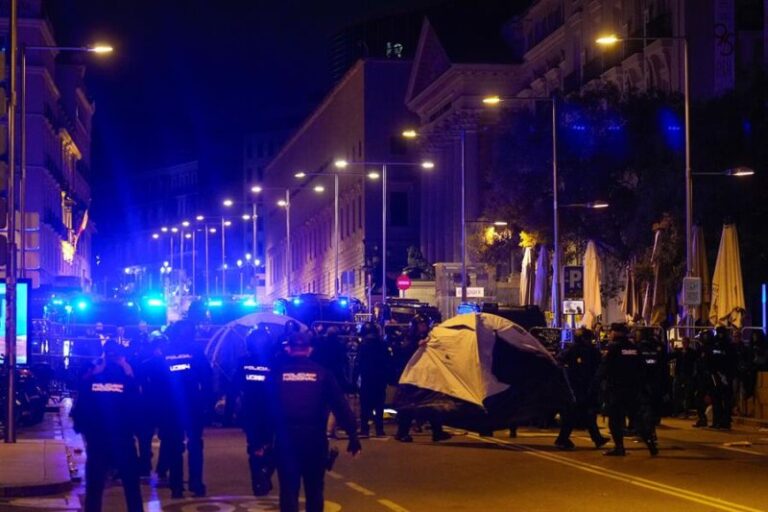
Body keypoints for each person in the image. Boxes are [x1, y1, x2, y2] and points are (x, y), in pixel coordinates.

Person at [271, 332, 361, 512]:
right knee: (314, 491)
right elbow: (340, 405)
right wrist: (353, 436)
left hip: (286, 439)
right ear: (310, 349)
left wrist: (261, 441)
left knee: (288, 491)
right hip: (314, 439)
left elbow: (264, 408)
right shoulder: (322, 374)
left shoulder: (278, 374)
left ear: (288, 349)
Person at [71, 340, 144, 512]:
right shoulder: (126, 379)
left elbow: (80, 408)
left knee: (95, 488)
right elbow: (137, 408)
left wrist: (87, 432)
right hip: (123, 439)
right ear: (120, 357)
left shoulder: (93, 378)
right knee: (132, 487)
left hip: (98, 441)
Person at [159, 320, 213, 499]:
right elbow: (207, 379)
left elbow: (156, 381)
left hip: (169, 406)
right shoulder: (196, 352)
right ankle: (196, 484)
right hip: (192, 405)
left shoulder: (165, 352)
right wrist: (207, 403)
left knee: (175, 446)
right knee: (195, 445)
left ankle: (176, 486)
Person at [598, 323, 652, 456]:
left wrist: (595, 385)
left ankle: (619, 447)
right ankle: (650, 444)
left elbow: (603, 370)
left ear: (616, 333)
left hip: (616, 389)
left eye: (611, 331)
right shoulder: (634, 348)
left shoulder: (613, 349)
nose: (609, 334)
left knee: (615, 420)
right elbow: (643, 369)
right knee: (636, 419)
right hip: (632, 389)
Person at [394, 315, 451, 443]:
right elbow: (405, 353)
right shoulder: (409, 339)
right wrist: (416, 345)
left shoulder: (428, 337)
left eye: (425, 324)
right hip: (412, 379)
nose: (423, 327)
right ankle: (402, 433)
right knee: (408, 406)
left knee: (431, 404)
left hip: (425, 377)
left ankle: (437, 432)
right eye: (421, 325)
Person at [554, 328, 609, 450]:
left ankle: (596, 439)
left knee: (585, 414)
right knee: (578, 414)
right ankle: (562, 439)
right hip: (579, 387)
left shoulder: (584, 350)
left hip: (583, 386)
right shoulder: (578, 350)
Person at [238, 326, 276, 496]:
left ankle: (258, 480)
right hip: (270, 410)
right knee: (271, 446)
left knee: (254, 447)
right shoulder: (274, 363)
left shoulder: (243, 363)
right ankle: (265, 475)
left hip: (251, 410)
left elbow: (235, 386)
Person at [357, 322, 392, 437]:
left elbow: (359, 363)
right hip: (380, 377)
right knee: (379, 404)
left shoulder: (363, 345)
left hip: (367, 377)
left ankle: (364, 428)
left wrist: (354, 379)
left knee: (365, 404)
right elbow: (387, 361)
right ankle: (379, 429)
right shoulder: (382, 344)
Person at [636, 327, 668, 454]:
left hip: (644, 384)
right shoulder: (658, 347)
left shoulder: (639, 348)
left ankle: (648, 434)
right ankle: (651, 433)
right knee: (652, 409)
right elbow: (663, 365)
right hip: (656, 383)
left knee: (644, 411)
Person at [707, 326, 736, 429]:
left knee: (725, 400)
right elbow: (709, 358)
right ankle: (717, 421)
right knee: (716, 399)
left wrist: (729, 375)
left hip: (726, 375)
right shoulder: (713, 343)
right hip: (716, 374)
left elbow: (732, 361)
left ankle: (725, 421)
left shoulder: (729, 345)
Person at [672, 337, 697, 417]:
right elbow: (671, 356)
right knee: (676, 393)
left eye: (685, 342)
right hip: (679, 374)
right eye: (683, 342)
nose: (684, 344)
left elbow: (694, 361)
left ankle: (686, 411)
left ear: (688, 343)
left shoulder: (692, 352)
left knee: (687, 394)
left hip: (688, 374)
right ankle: (676, 411)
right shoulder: (679, 351)